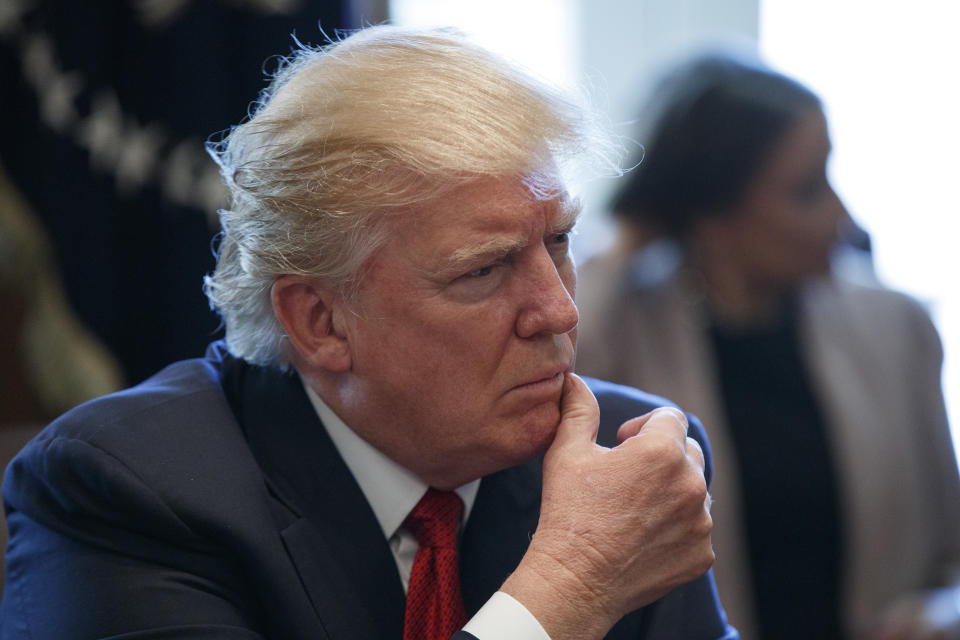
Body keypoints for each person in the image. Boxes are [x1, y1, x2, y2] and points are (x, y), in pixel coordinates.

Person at [0, 26, 737, 640]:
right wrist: (572, 585)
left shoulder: (620, 460)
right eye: (483, 271)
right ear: (321, 322)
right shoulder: (127, 490)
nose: (559, 311)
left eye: (558, 243)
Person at [575, 52, 960, 640]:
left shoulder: (895, 328)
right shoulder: (629, 327)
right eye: (806, 190)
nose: (841, 215)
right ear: (711, 210)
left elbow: (950, 553)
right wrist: (630, 233)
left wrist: (938, 616)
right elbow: (562, 349)